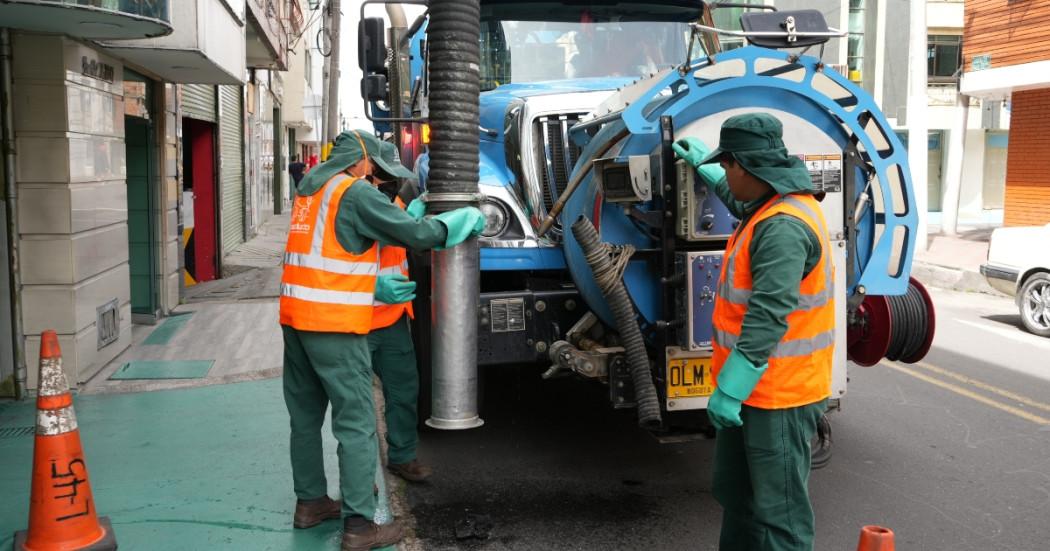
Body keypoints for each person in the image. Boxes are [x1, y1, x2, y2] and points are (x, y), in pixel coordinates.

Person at [280, 129, 485, 551]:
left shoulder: (310, 189)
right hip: (334, 325)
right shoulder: (353, 193)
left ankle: (311, 503)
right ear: (362, 161)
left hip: (295, 321)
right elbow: (421, 236)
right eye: (374, 167)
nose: (375, 175)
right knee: (356, 424)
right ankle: (360, 526)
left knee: (304, 419)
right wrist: (455, 223)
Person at [673, 113, 834, 551]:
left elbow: (769, 312)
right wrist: (704, 170)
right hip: (755, 393)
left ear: (746, 165)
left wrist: (732, 388)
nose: (725, 173)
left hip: (778, 395)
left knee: (779, 515)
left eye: (726, 166)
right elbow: (743, 200)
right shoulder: (771, 206)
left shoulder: (783, 227)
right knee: (738, 498)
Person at [365, 141, 431, 482]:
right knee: (356, 408)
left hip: (391, 317)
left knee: (404, 389)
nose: (391, 182)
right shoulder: (353, 202)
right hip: (354, 319)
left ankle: (402, 456)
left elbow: (396, 234)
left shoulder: (395, 200)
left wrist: (410, 217)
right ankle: (359, 478)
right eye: (385, 175)